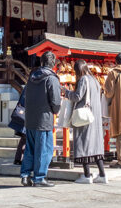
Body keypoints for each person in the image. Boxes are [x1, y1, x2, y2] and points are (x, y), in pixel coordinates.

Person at [20, 51, 61, 187]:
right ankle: (39, 177)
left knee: (30, 149)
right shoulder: (51, 78)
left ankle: (25, 175)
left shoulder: (32, 77)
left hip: (30, 118)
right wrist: (56, 111)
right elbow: (55, 101)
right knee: (44, 150)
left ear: (41, 62)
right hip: (44, 118)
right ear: (53, 64)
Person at [64, 59, 107, 184]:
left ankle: (87, 175)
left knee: (84, 143)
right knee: (95, 147)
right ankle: (102, 174)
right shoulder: (95, 80)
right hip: (95, 116)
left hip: (85, 117)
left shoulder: (83, 80)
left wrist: (66, 93)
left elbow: (78, 96)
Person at [8, 87, 26, 165]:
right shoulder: (33, 86)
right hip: (27, 117)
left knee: (24, 139)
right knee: (26, 138)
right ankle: (21, 159)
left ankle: (18, 159)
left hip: (22, 116)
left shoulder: (29, 85)